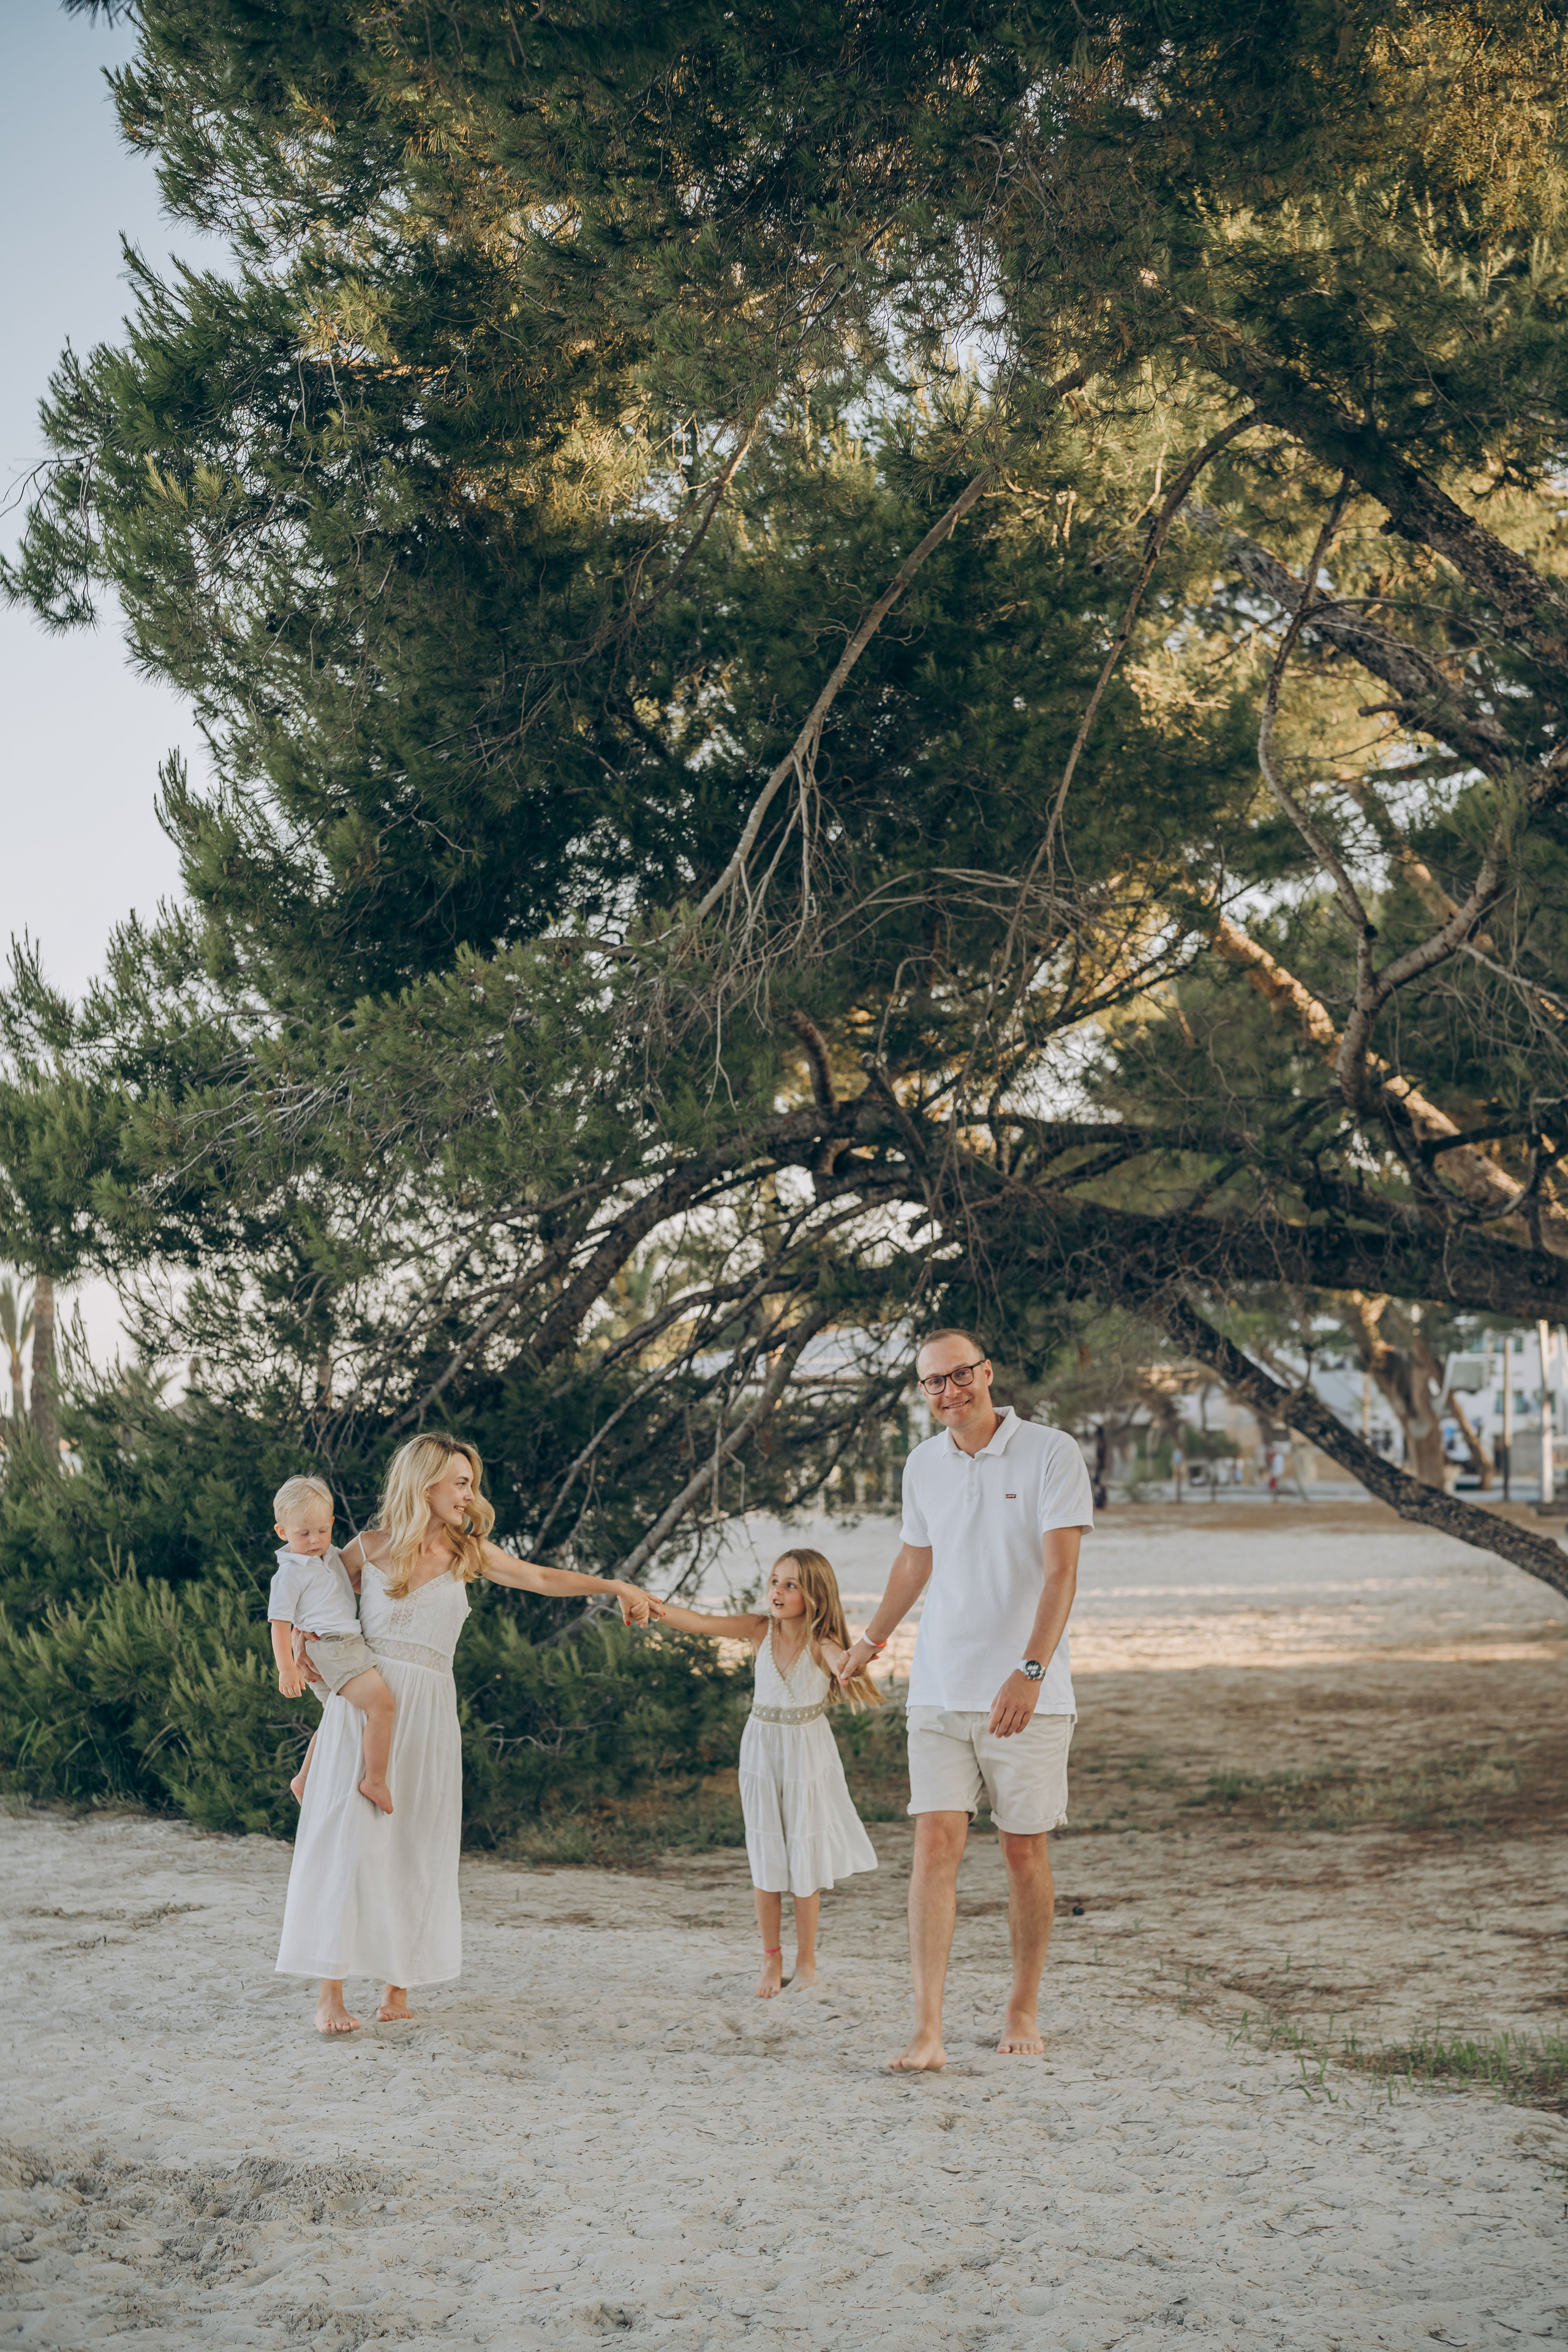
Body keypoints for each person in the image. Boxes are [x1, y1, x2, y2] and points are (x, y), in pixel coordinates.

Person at [275, 1431, 660, 2036]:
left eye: (470, 1483)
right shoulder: (367, 1548)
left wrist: (612, 1587)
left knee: (412, 1847)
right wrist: (296, 1649)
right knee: (348, 1847)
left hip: (428, 1713)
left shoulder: (470, 1553)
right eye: (460, 1482)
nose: (469, 1494)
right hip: (367, 1707)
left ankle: (396, 1986)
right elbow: (307, 1594)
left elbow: (539, 1578)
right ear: (424, 1484)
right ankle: (330, 1995)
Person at [837, 1329, 1093, 2072]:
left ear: (987, 1372)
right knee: (932, 1843)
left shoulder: (1051, 1452)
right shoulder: (923, 1464)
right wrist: (872, 1642)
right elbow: (916, 1559)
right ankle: (926, 2027)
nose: (947, 1392)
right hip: (940, 1689)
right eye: (931, 1384)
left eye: (958, 1376)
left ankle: (1022, 2004)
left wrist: (1030, 1670)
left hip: (1028, 1694)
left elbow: (1060, 1574)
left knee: (1022, 1851)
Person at [654, 1547, 879, 1998]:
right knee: (766, 1854)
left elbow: (840, 1658)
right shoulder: (760, 1629)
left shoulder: (822, 1641)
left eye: (791, 1584)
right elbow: (700, 1622)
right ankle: (771, 1958)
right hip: (760, 1749)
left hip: (806, 1755)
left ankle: (807, 1961)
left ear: (814, 1594)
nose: (778, 1591)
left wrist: (849, 1664)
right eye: (776, 1581)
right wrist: (652, 1608)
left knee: (804, 1857)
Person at [267, 1474, 394, 1812]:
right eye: (303, 1533)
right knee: (383, 1707)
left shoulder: (332, 1555)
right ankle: (376, 1781)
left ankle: (305, 1778)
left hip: (343, 1644)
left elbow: (348, 1588)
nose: (315, 1540)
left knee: (338, 1719)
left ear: (333, 1524)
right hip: (332, 1645)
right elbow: (279, 1625)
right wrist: (287, 1668)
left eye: (323, 1530)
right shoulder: (290, 1574)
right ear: (282, 1532)